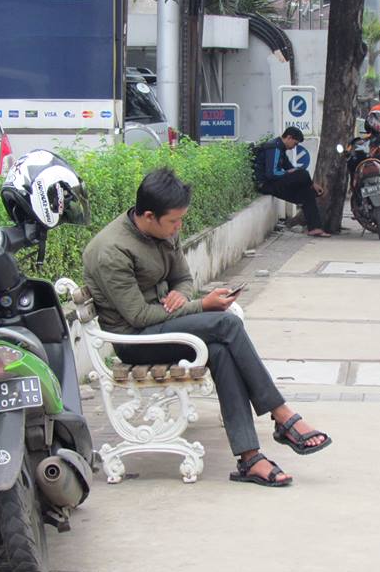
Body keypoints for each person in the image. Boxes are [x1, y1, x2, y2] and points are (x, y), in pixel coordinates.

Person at [82, 168, 332, 487]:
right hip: (135, 340)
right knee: (225, 322)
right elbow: (139, 317)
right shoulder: (111, 251)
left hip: (164, 327)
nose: (179, 227)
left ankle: (250, 457)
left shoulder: (164, 231)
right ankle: (281, 415)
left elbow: (184, 279)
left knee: (220, 349)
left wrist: (181, 295)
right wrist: (201, 305)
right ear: (148, 216)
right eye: (173, 221)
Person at [254, 126, 330, 237]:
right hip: (266, 184)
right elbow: (272, 173)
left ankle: (315, 228)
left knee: (307, 194)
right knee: (303, 173)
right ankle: (310, 189)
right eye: (295, 143)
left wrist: (309, 183)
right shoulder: (274, 147)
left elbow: (289, 167)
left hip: (275, 183)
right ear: (289, 138)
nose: (295, 147)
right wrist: (289, 173)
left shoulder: (281, 149)